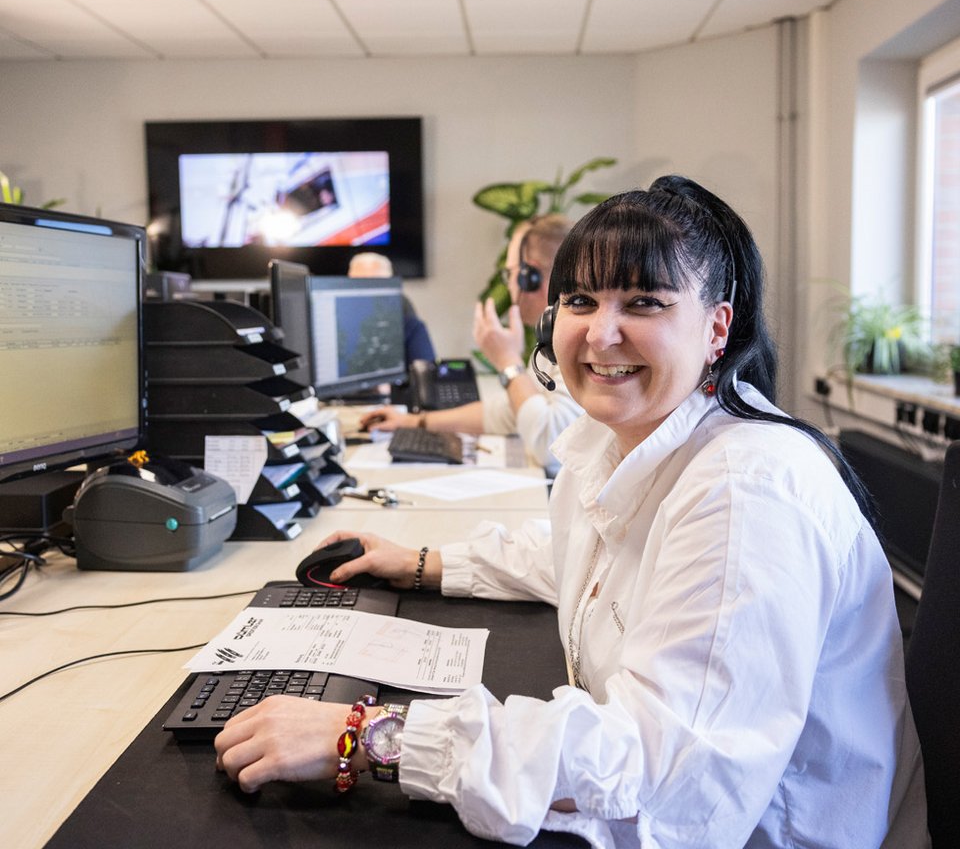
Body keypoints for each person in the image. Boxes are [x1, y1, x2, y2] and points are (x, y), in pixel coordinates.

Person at [215, 177, 928, 849]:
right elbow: (580, 551)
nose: (600, 332)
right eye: (581, 300)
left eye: (643, 303)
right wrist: (424, 562)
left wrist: (368, 736)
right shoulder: (628, 440)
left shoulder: (746, 493)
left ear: (718, 327)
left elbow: (655, 770)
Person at [358, 215, 583, 472]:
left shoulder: (578, 341)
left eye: (509, 273)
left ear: (528, 277)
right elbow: (509, 413)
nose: (509, 283)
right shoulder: (550, 341)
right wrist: (413, 421)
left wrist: (508, 362)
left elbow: (551, 444)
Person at [347, 251, 436, 364]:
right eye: (361, 284)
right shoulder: (338, 322)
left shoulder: (409, 323)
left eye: (378, 284)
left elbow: (426, 368)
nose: (370, 293)